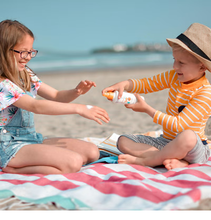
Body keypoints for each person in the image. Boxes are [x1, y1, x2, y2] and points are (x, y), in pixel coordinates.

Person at [0, 19, 110, 174]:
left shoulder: (26, 74)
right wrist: (79, 109)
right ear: (4, 51)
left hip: (32, 139)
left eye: (31, 51)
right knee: (73, 163)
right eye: (23, 52)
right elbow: (35, 106)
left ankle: (28, 160)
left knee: (92, 152)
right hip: (8, 147)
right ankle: (12, 168)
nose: (28, 57)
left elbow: (56, 95)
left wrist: (76, 91)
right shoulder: (2, 84)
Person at [102, 23, 211, 170]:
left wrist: (147, 109)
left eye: (181, 63)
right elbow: (148, 84)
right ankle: (172, 159)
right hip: (166, 142)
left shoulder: (205, 93)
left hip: (193, 148)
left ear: (202, 67)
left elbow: (179, 125)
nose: (174, 67)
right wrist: (125, 84)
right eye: (174, 60)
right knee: (123, 141)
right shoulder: (174, 76)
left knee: (188, 136)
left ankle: (147, 161)